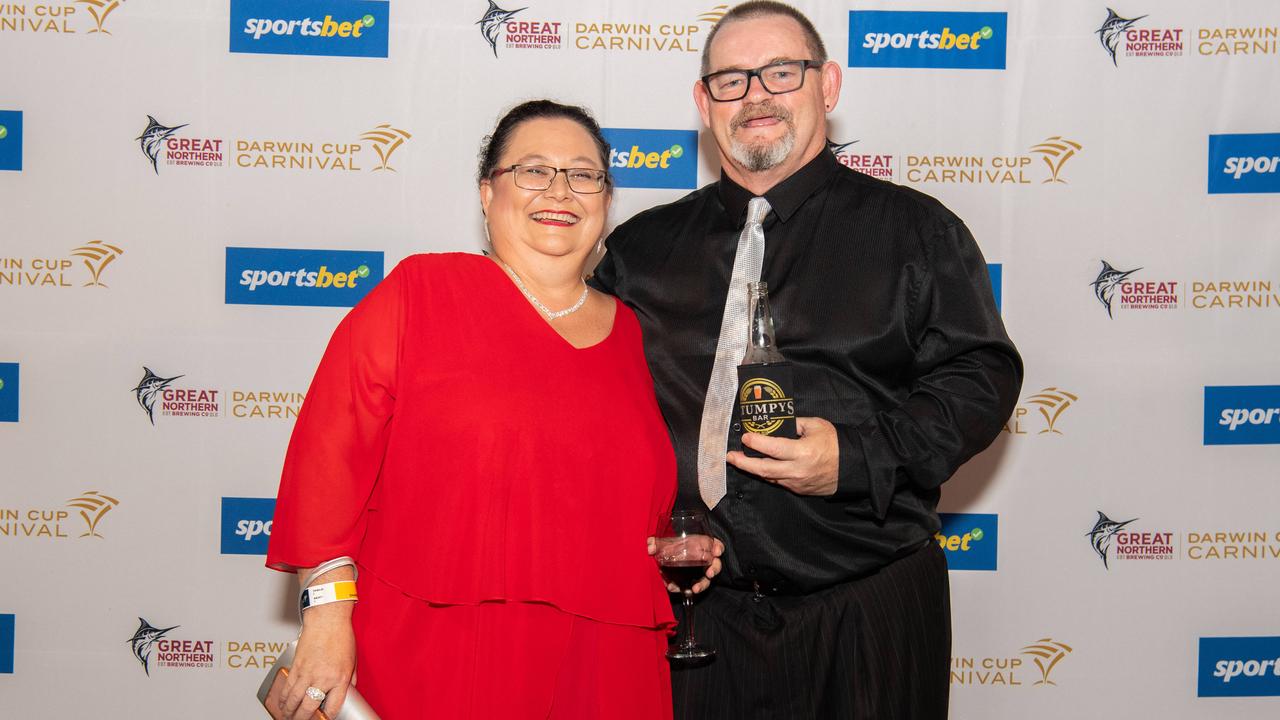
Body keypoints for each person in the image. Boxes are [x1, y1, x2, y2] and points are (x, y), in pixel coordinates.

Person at [591, 2, 1023, 718]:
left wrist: (856, 457)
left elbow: (980, 381)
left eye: (780, 73)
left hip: (867, 607)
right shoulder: (640, 252)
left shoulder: (917, 232)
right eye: (731, 79)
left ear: (828, 86)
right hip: (697, 620)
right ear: (704, 103)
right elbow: (591, 404)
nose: (756, 94)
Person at [266, 100, 717, 720]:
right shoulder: (420, 294)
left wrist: (657, 550)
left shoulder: (637, 336)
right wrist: (324, 622)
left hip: (605, 664)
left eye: (584, 175)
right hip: (437, 658)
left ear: (606, 200)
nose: (560, 190)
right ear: (486, 193)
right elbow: (327, 468)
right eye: (533, 170)